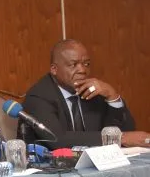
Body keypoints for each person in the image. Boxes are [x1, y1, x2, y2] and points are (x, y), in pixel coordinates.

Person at [20, 39, 149, 149]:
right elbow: (56, 138)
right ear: (54, 69)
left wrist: (113, 96)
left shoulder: (92, 91)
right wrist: (119, 138)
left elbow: (129, 132)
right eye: (73, 64)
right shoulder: (39, 96)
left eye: (86, 64)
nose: (82, 70)